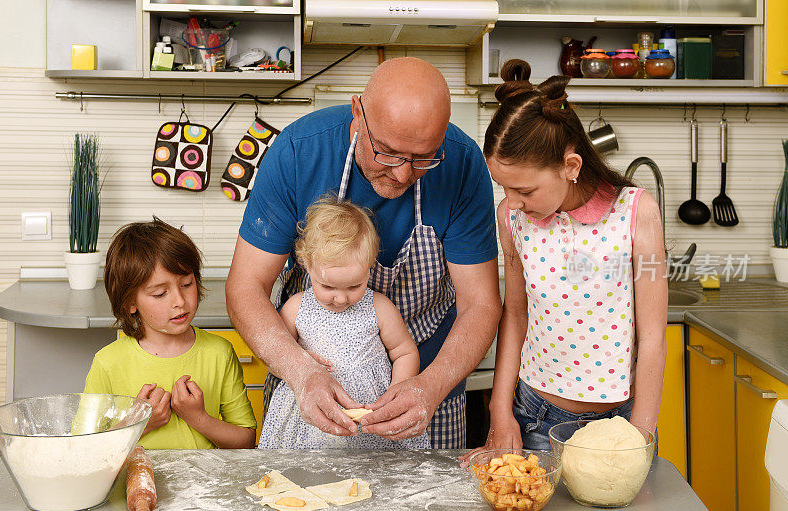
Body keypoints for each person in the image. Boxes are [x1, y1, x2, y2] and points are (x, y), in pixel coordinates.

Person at [226, 57, 502, 449]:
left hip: (430, 386)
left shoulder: (462, 162)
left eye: (423, 159)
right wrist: (300, 372)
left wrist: (429, 386)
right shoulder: (298, 152)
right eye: (388, 153)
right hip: (309, 386)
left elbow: (481, 303)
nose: (403, 174)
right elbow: (245, 287)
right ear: (358, 114)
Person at [464, 59, 667, 456]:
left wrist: (639, 435)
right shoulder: (512, 218)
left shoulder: (637, 212)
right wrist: (500, 410)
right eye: (504, 188)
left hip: (620, 424)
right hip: (536, 418)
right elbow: (516, 314)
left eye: (525, 190)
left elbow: (654, 337)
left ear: (570, 166)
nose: (514, 203)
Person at [258, 198, 430, 449]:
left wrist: (396, 392)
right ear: (307, 265)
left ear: (369, 269)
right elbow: (273, 359)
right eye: (327, 286)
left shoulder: (379, 307)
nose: (340, 298)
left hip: (371, 419)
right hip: (307, 419)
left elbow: (404, 352)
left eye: (354, 286)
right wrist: (299, 364)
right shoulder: (296, 307)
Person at [84, 218, 257, 449]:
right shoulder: (108, 363)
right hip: (136, 484)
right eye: (159, 293)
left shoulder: (219, 352)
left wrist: (199, 418)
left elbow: (245, 441)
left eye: (187, 284)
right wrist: (141, 423)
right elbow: (84, 446)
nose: (179, 301)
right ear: (129, 303)